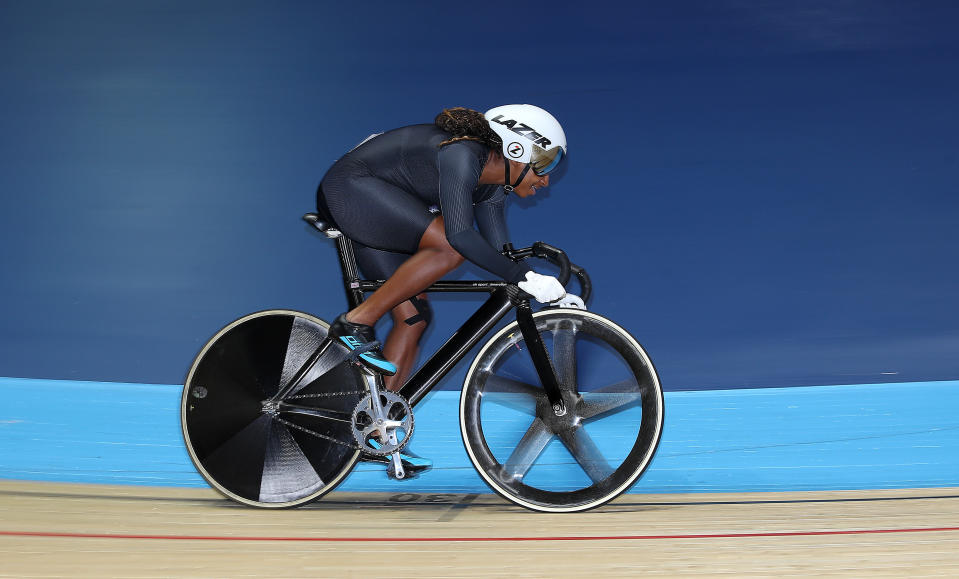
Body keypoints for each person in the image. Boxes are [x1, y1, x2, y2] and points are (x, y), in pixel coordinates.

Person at [316, 104, 579, 394]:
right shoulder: (462, 155)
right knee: (450, 248)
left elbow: (502, 256)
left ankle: (379, 423)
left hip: (384, 204)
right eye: (545, 164)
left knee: (414, 319)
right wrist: (527, 277)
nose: (546, 179)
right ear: (516, 151)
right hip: (349, 190)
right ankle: (355, 322)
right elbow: (461, 237)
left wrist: (553, 296)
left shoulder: (492, 188)